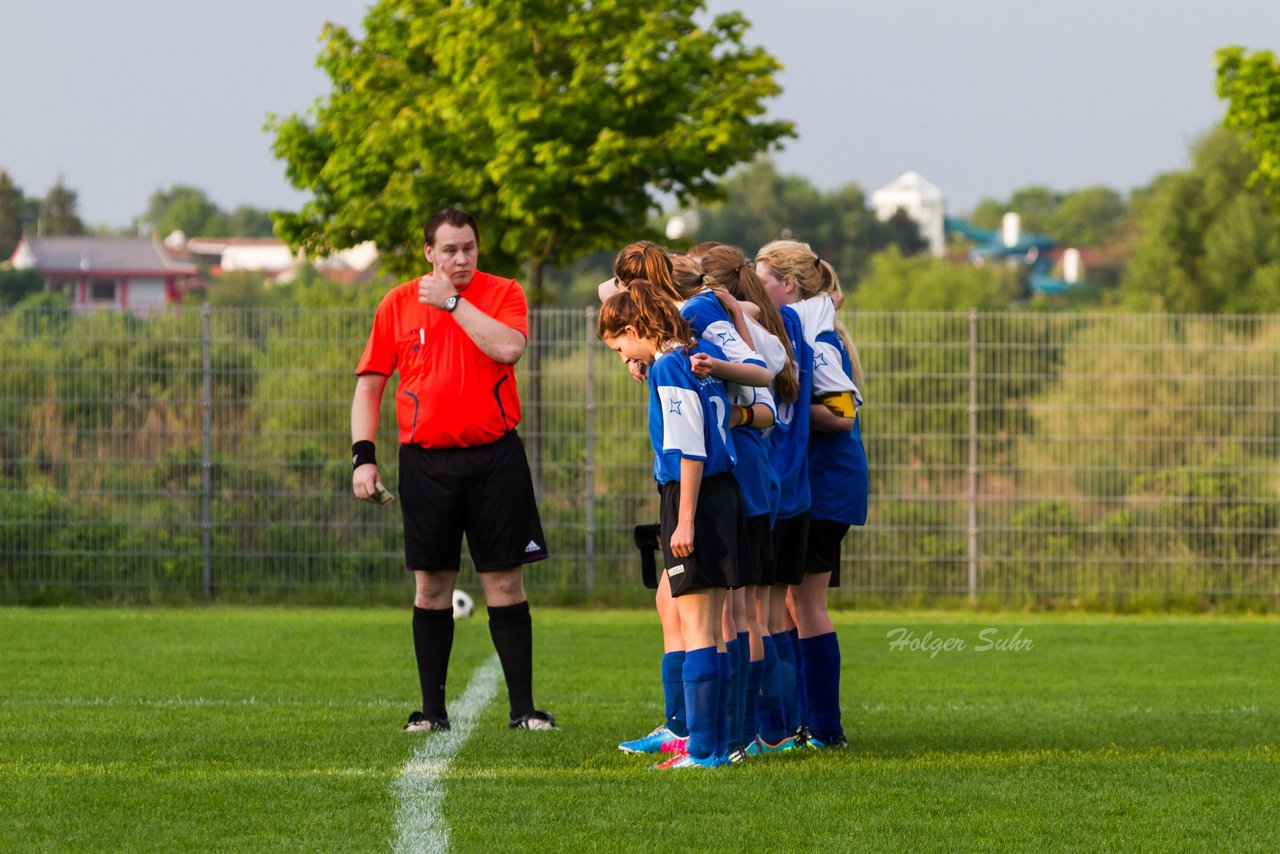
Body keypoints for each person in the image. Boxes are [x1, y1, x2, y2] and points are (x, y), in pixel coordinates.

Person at [350, 208, 555, 733]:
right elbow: (371, 384)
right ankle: (432, 713)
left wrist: (453, 303)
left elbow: (508, 348)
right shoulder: (397, 303)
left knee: (505, 582)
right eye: (449, 250)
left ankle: (524, 711)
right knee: (431, 586)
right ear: (429, 254)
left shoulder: (504, 292)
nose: (460, 258)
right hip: (426, 463)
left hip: (495, 458)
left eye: (468, 248)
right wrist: (363, 456)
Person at [598, 282, 742, 769]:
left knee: (699, 627)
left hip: (693, 497)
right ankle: (718, 746)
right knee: (714, 630)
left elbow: (690, 447)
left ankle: (702, 752)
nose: (623, 358)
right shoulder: (697, 356)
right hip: (722, 494)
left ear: (637, 330)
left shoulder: (669, 366)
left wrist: (683, 521)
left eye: (620, 346)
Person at [757, 239, 869, 751]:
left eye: (762, 282)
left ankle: (824, 727)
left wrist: (789, 403)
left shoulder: (818, 338)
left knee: (806, 603)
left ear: (789, 285)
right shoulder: (800, 330)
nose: (754, 292)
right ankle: (804, 723)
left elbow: (843, 417)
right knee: (793, 603)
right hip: (814, 485)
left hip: (826, 487)